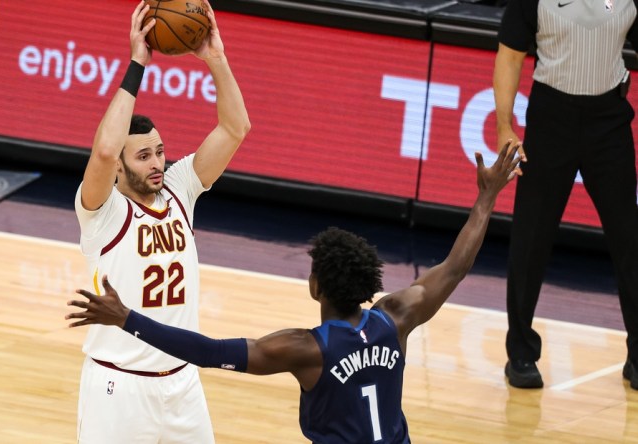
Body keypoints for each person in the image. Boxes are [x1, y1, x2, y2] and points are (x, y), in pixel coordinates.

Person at [66, 145, 522, 443]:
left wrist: (128, 319)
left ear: (316, 286)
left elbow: (206, 352)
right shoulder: (396, 316)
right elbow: (456, 267)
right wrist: (486, 198)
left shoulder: (306, 350)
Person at [72, 0, 250, 442]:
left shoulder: (180, 188)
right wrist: (137, 62)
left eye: (160, 151)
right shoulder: (101, 211)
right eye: (144, 155)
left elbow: (235, 128)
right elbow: (104, 151)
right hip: (119, 388)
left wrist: (216, 59)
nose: (157, 163)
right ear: (120, 167)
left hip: (183, 383)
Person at [494, 0, 638, 390]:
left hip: (609, 121)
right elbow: (510, 55)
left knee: (631, 241)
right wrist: (505, 126)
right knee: (531, 240)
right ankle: (521, 354)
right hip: (551, 118)